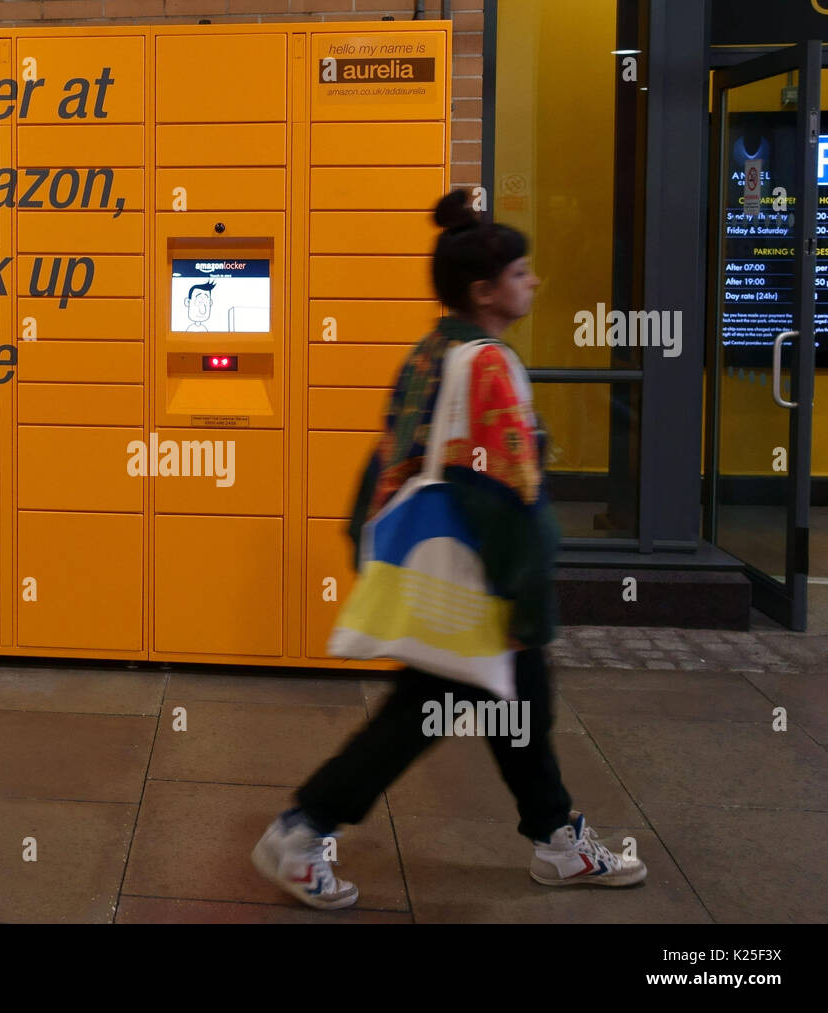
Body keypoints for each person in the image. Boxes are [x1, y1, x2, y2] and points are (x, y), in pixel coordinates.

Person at [251, 189, 647, 909]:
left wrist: (370, 550)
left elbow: (388, 462)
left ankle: (557, 838)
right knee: (426, 711)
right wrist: (527, 601)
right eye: (522, 274)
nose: (533, 283)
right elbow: (511, 498)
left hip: (443, 568)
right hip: (480, 580)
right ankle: (301, 831)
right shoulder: (490, 365)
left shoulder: (434, 351)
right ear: (485, 291)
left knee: (519, 704)